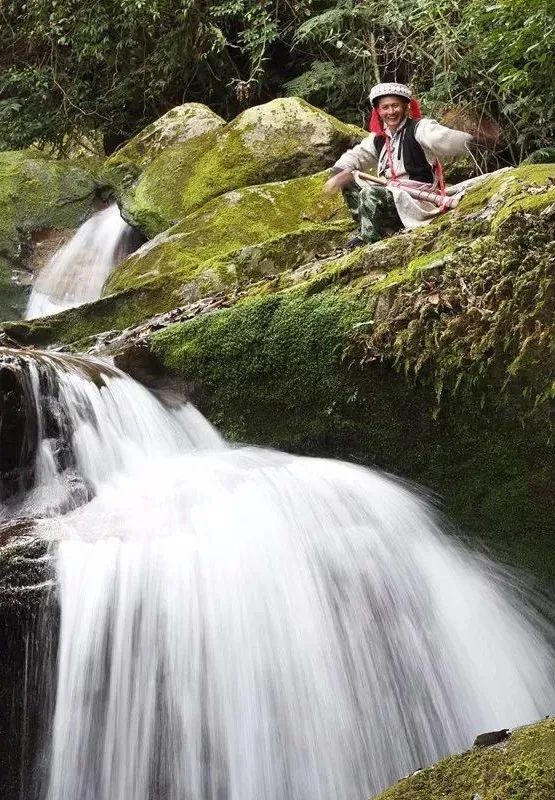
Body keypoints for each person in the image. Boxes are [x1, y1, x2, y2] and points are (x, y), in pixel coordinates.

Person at [325, 82, 497, 247]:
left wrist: (472, 141)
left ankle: (370, 239)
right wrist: (338, 172)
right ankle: (375, 226)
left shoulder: (419, 128)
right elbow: (356, 155)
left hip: (416, 199)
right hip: (390, 194)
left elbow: (442, 138)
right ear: (378, 111)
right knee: (347, 180)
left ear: (406, 106)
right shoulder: (378, 138)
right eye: (385, 107)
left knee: (369, 193)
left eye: (395, 106)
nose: (391, 112)